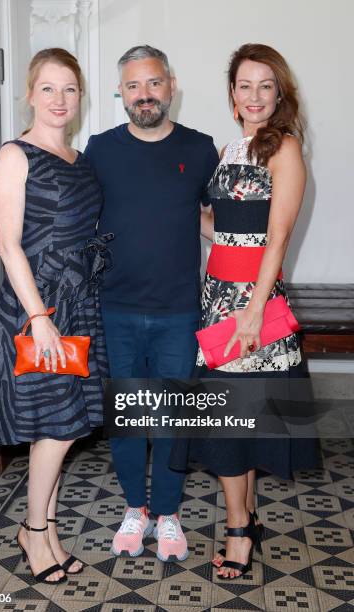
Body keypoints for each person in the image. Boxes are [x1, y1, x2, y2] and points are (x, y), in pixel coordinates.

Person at [170, 43, 319, 578]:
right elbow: (226, 231)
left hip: (252, 308)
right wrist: (179, 219)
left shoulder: (285, 150)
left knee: (228, 424)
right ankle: (247, 517)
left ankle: (237, 532)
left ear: (279, 94)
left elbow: (276, 241)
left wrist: (253, 311)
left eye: (264, 86)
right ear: (232, 95)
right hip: (217, 304)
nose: (253, 96)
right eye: (243, 85)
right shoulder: (234, 149)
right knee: (235, 420)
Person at [0, 48, 111, 584]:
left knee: (67, 423)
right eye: (48, 88)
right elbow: (9, 245)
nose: (59, 99)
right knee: (53, 424)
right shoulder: (15, 155)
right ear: (30, 94)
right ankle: (33, 532)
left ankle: (47, 530)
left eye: (69, 89)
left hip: (79, 302)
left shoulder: (81, 160)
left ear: (80, 98)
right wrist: (40, 317)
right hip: (38, 307)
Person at [85, 45, 219, 562]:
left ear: (171, 85)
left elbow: (210, 219)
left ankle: (167, 514)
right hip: (115, 308)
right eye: (134, 86)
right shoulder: (99, 149)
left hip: (178, 311)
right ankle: (133, 509)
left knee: (170, 419)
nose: (145, 95)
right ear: (121, 92)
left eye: (154, 83)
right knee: (126, 419)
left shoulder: (201, 148)